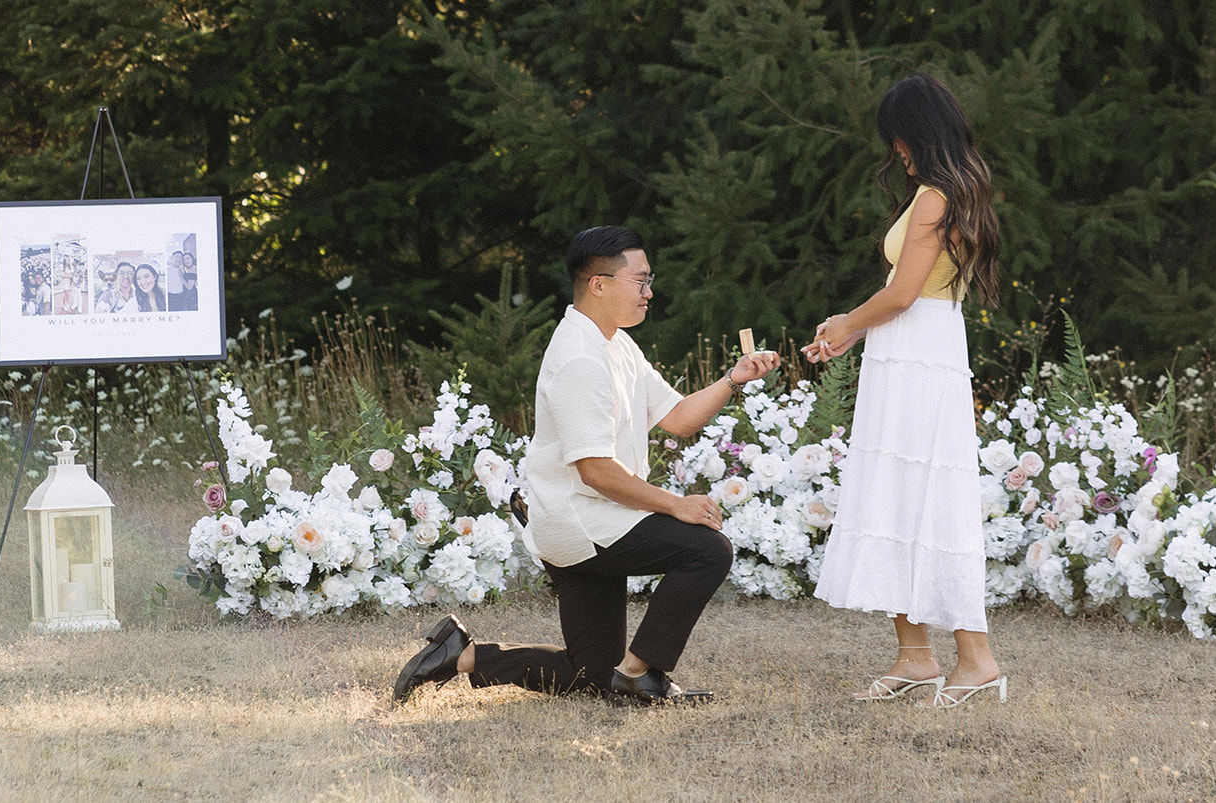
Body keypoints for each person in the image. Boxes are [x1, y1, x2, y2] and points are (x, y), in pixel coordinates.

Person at [393, 226, 781, 706]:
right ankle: (640, 674)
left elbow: (679, 419)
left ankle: (461, 655)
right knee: (707, 549)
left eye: (648, 280)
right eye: (640, 281)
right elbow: (595, 472)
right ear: (598, 284)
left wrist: (732, 379)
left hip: (595, 517)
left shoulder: (614, 342)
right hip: (580, 523)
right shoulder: (579, 357)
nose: (649, 292)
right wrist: (677, 505)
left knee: (590, 673)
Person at [804, 73, 1007, 708]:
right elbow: (903, 301)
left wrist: (843, 324)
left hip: (920, 358)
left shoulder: (936, 198)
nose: (895, 151)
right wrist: (851, 337)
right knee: (895, 492)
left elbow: (901, 293)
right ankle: (914, 654)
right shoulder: (954, 189)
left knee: (927, 495)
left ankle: (975, 659)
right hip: (911, 350)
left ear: (913, 134)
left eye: (898, 138)